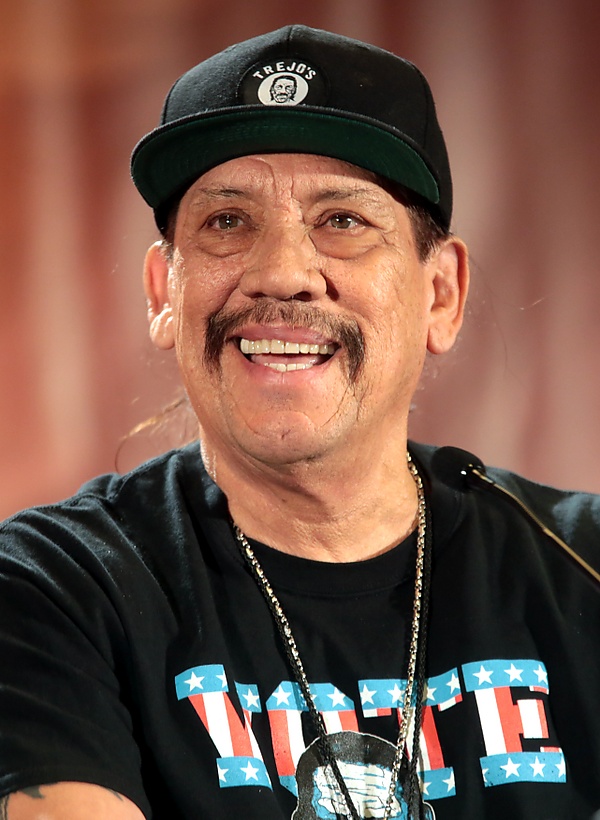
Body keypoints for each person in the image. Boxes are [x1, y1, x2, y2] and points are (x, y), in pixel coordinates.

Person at [0, 24, 599, 820]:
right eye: (226, 222)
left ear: (442, 294)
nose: (282, 272)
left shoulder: (583, 564)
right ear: (163, 293)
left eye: (342, 220)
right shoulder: (52, 591)